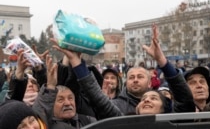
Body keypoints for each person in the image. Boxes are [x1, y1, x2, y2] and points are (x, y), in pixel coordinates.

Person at [50, 23, 195, 119]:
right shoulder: (123, 118)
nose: (147, 100)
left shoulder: (173, 121)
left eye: (154, 98)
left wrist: (162, 60)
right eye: (131, 77)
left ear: (165, 109)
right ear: (136, 109)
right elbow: (98, 99)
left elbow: (185, 98)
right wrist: (75, 61)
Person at [33, 55, 96, 129]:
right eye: (60, 100)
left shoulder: (89, 121)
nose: (67, 103)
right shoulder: (44, 125)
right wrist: (50, 85)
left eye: (70, 98)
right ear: (51, 104)